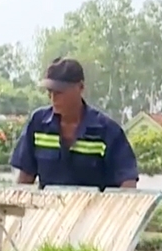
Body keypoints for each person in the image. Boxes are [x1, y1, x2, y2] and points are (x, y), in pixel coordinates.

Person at [10, 58, 139, 190]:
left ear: (80, 87)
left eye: (59, 92)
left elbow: (128, 183)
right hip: (50, 208)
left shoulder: (107, 131)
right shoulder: (38, 124)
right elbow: (25, 178)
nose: (54, 98)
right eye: (50, 92)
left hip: (94, 209)